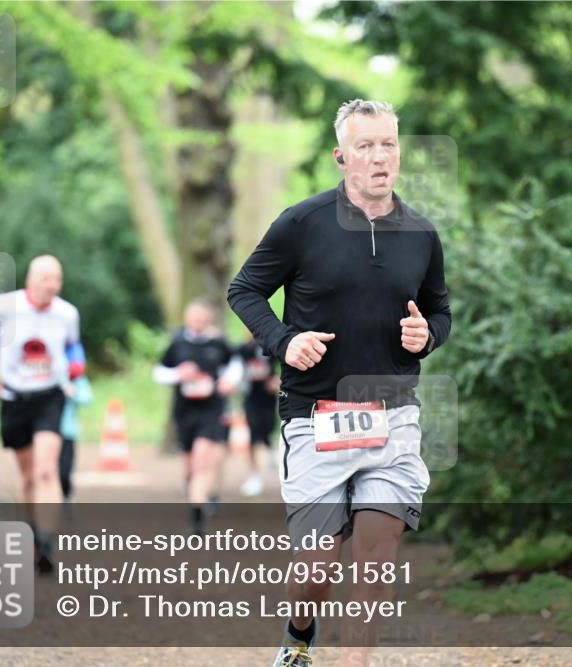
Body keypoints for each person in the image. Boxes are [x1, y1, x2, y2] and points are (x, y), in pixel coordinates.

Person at [227, 99, 451, 667]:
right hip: (314, 416)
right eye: (366, 146)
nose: (380, 157)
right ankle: (299, 638)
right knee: (318, 567)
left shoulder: (421, 234)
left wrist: (426, 335)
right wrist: (283, 341)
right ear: (342, 157)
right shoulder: (301, 224)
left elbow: (440, 313)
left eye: (389, 145)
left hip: (393, 416)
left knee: (375, 561)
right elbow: (244, 291)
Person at [0, 255, 85, 572]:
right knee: (29, 476)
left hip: (50, 395)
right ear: (31, 280)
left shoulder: (67, 313)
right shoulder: (7, 305)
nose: (52, 286)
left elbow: (74, 345)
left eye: (57, 279)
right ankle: (32, 531)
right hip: (14, 398)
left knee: (47, 469)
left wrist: (75, 365)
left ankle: (47, 539)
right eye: (46, 279)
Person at [153, 300, 242, 535]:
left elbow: (235, 365)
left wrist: (229, 382)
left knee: (203, 458)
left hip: (211, 409)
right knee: (190, 467)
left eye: (202, 317)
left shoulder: (218, 343)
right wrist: (177, 374)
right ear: (186, 319)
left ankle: (197, 521)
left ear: (208, 319)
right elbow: (159, 372)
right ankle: (195, 499)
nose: (198, 322)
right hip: (184, 411)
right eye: (194, 317)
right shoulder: (178, 342)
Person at [237, 332, 281, 497]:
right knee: (252, 434)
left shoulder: (270, 346)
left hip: (268, 398)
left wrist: (276, 380)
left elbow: (283, 366)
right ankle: (254, 476)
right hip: (250, 398)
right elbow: (233, 369)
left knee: (268, 429)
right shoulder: (242, 350)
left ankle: (270, 454)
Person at [59, 366, 93, 501]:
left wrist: (71, 392)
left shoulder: (74, 375)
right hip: (43, 431)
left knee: (64, 473)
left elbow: (87, 398)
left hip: (67, 431)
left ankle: (65, 499)